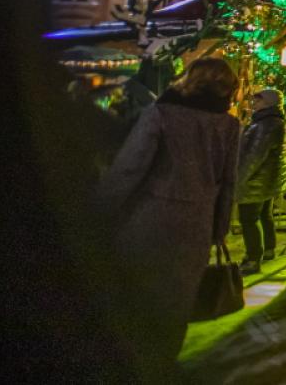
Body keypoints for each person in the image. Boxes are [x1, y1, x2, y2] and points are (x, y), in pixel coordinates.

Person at [96, 57, 241, 377]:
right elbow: (228, 183)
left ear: (189, 79)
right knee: (176, 303)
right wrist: (218, 229)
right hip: (196, 227)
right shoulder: (228, 125)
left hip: (149, 219)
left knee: (135, 294)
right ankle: (161, 363)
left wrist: (101, 210)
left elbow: (130, 168)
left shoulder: (162, 114)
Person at [234, 88, 286, 275]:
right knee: (266, 215)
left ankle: (252, 258)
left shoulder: (265, 125)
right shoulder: (278, 122)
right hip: (269, 179)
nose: (254, 103)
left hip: (256, 181)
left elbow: (253, 156)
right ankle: (269, 248)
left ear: (268, 103)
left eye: (258, 100)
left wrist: (239, 179)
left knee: (248, 219)